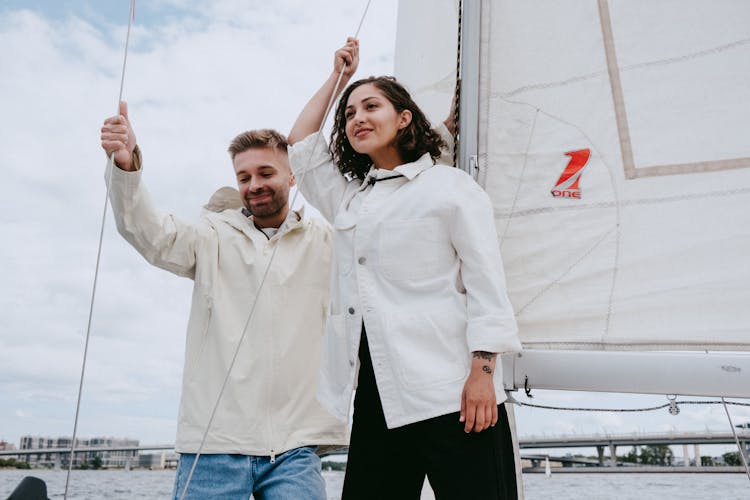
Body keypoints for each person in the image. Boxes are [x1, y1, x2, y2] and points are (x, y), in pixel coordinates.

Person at [287, 39, 523, 499]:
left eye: (371, 106)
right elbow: (300, 143)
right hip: (380, 397)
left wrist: (483, 373)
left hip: (454, 392)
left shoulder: (451, 188)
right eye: (349, 113)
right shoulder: (352, 197)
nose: (357, 118)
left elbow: (486, 284)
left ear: (404, 118)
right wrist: (337, 78)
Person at [99, 103, 347, 500]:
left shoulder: (328, 243)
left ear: (292, 176)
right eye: (244, 176)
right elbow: (147, 231)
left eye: (266, 173)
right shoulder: (210, 236)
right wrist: (126, 167)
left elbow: (383, 224)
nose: (254, 184)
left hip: (295, 447)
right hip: (213, 445)